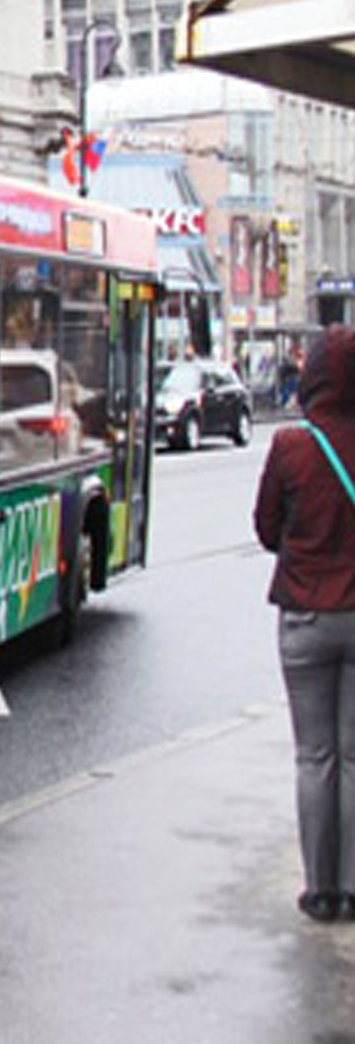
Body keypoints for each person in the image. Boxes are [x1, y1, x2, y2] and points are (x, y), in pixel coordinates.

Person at [254, 325, 355, 923]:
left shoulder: (292, 445)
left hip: (306, 617)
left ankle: (320, 890)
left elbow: (267, 528)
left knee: (315, 756)